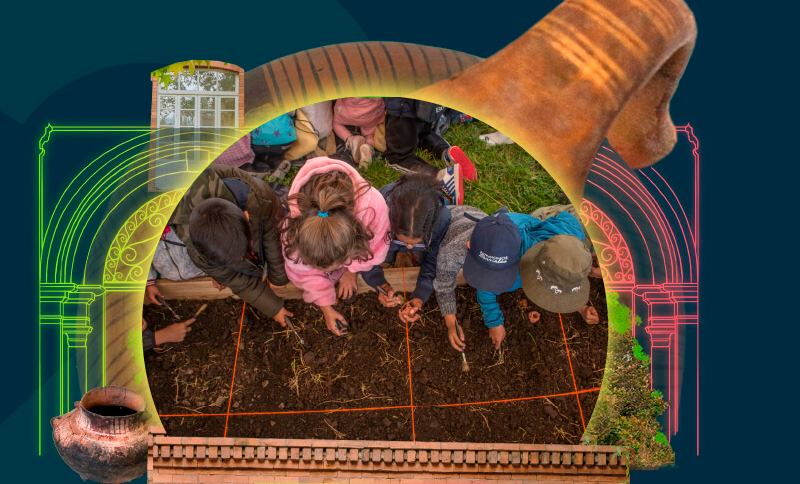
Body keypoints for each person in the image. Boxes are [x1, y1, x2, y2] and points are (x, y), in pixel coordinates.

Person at [434, 206, 593, 352]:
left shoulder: (571, 243)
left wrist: (581, 306)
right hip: (504, 230)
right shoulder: (505, 262)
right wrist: (494, 321)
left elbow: (568, 220)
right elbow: (486, 286)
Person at [167, 165, 293, 327]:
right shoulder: (197, 250)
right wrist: (274, 308)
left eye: (248, 244)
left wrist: (278, 275)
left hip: (256, 202)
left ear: (246, 218)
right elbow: (234, 279)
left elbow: (270, 234)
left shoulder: (258, 198)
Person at [282, 157, 390, 335]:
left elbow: (376, 245)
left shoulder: (371, 208)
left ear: (356, 234)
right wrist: (326, 307)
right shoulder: (294, 226)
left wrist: (351, 271)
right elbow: (301, 270)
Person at [360, 174, 451, 323]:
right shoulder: (377, 212)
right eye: (404, 241)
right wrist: (379, 284)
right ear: (391, 225)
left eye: (415, 242)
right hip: (385, 234)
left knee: (422, 260)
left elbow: (433, 261)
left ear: (431, 227)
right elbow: (364, 256)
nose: (409, 246)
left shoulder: (441, 220)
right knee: (384, 257)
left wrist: (420, 296)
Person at [382, 97, 476, 204]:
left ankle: (441, 176)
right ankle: (445, 152)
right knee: (423, 134)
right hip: (425, 105)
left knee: (397, 157)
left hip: (403, 110)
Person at [331, 97, 385, 167]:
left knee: (336, 123)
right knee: (370, 133)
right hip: (372, 115)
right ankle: (369, 146)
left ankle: (351, 139)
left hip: (348, 113)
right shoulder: (377, 86)